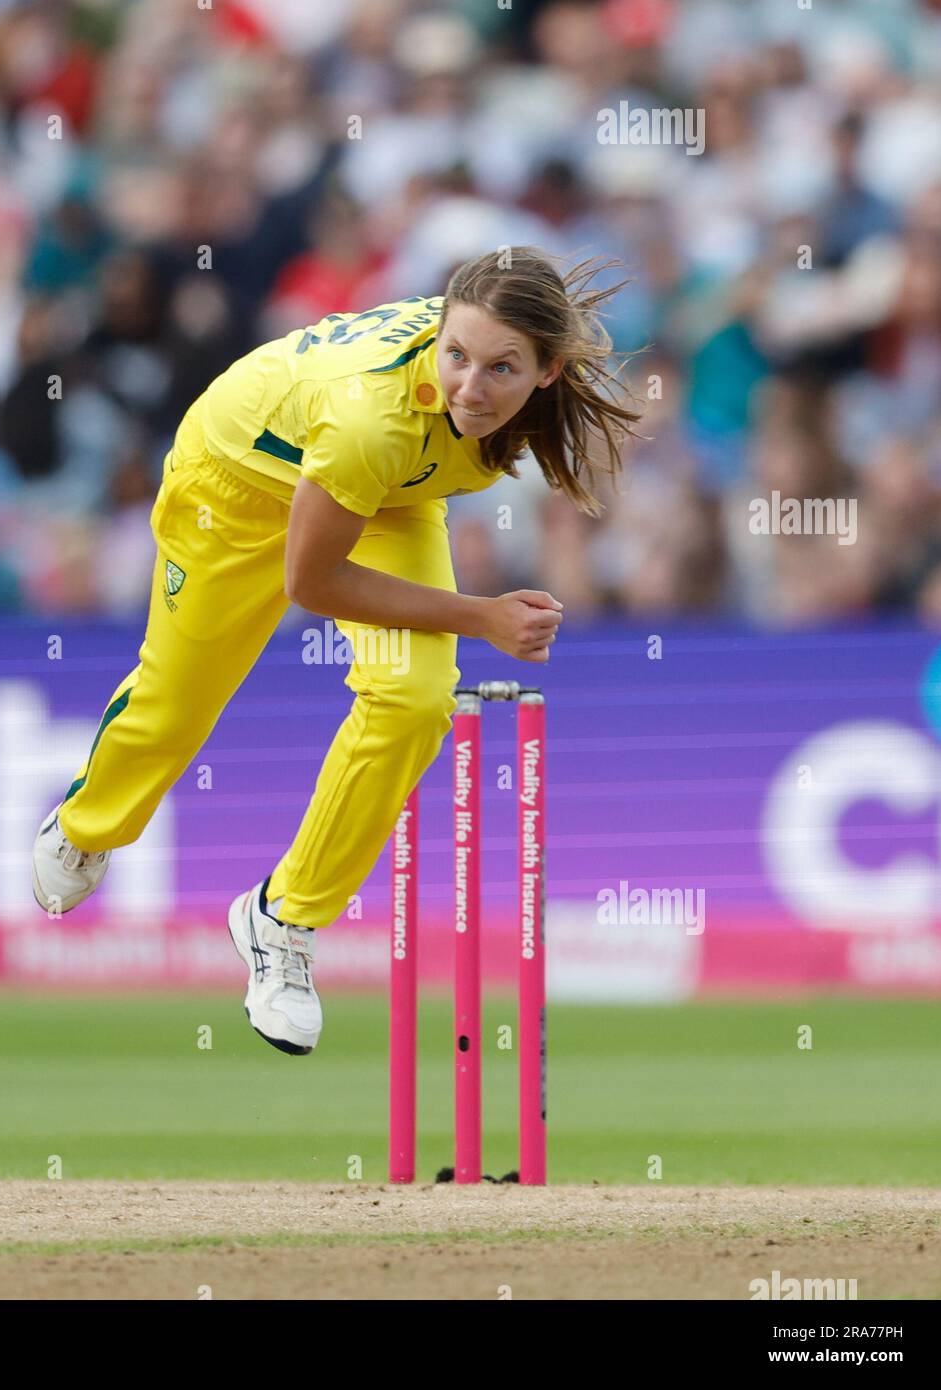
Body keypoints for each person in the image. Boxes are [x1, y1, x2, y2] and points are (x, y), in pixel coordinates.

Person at [31, 245, 641, 1055]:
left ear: (548, 370)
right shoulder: (372, 415)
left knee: (417, 699)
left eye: (500, 367)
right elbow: (313, 585)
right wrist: (480, 616)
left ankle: (280, 920)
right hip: (235, 483)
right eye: (455, 356)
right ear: (438, 333)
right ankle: (83, 825)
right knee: (180, 705)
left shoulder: (507, 387)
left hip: (386, 493)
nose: (470, 385)